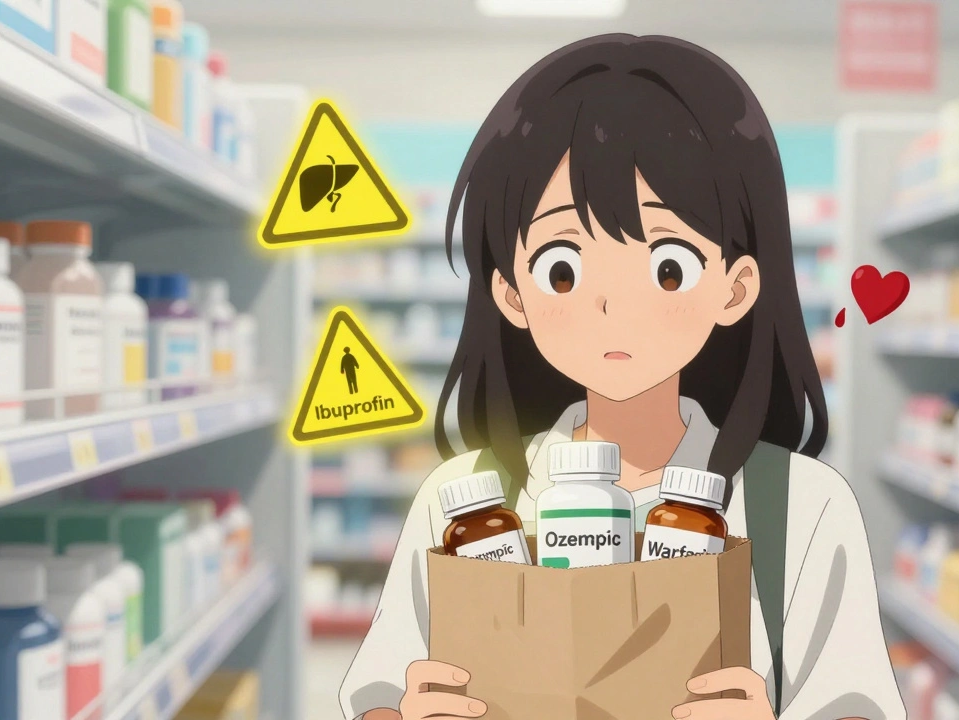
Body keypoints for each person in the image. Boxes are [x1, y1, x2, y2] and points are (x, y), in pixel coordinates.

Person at [339, 34, 904, 720]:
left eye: (669, 266)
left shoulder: (803, 509)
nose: (613, 305)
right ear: (511, 294)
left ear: (737, 286)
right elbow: (378, 694)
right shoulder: (461, 504)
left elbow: (858, 707)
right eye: (562, 269)